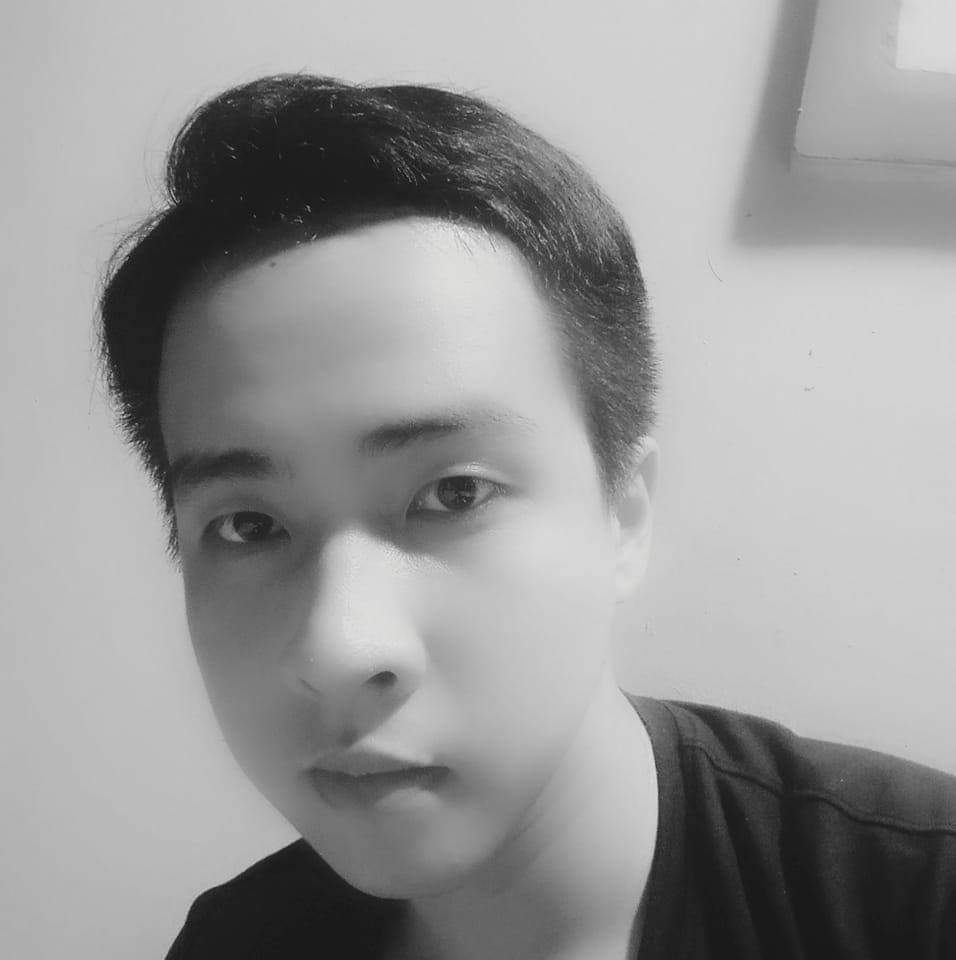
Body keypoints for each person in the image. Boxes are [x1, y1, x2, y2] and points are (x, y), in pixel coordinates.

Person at [99, 74, 956, 960]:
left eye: (454, 494)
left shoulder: (919, 901)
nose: (339, 649)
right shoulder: (236, 942)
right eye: (248, 526)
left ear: (624, 512)